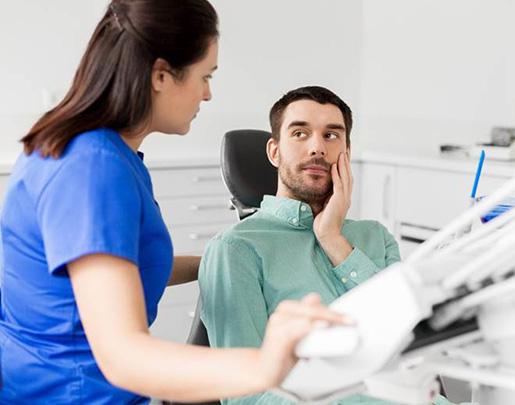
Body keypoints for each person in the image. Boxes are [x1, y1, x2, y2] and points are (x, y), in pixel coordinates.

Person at [0, 2, 347, 403]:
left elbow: (118, 270)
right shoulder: (92, 169)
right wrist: (264, 364)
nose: (208, 93)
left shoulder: (100, 153)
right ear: (161, 75)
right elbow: (123, 357)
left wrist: (233, 258)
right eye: (205, 76)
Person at [199, 86, 402, 404]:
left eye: (331, 136)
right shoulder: (236, 250)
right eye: (300, 133)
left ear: (346, 152)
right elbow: (245, 399)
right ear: (274, 151)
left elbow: (408, 339)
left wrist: (334, 240)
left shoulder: (376, 237)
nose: (317, 148)